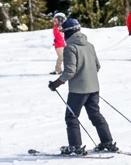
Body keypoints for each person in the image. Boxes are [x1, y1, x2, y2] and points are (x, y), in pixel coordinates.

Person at [48, 18, 118, 154]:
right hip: (94, 88)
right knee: (95, 115)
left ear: (69, 32)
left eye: (64, 33)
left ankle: (75, 147)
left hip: (78, 91)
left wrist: (57, 83)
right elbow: (97, 66)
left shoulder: (71, 48)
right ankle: (107, 142)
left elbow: (69, 71)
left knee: (71, 117)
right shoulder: (89, 45)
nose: (63, 35)